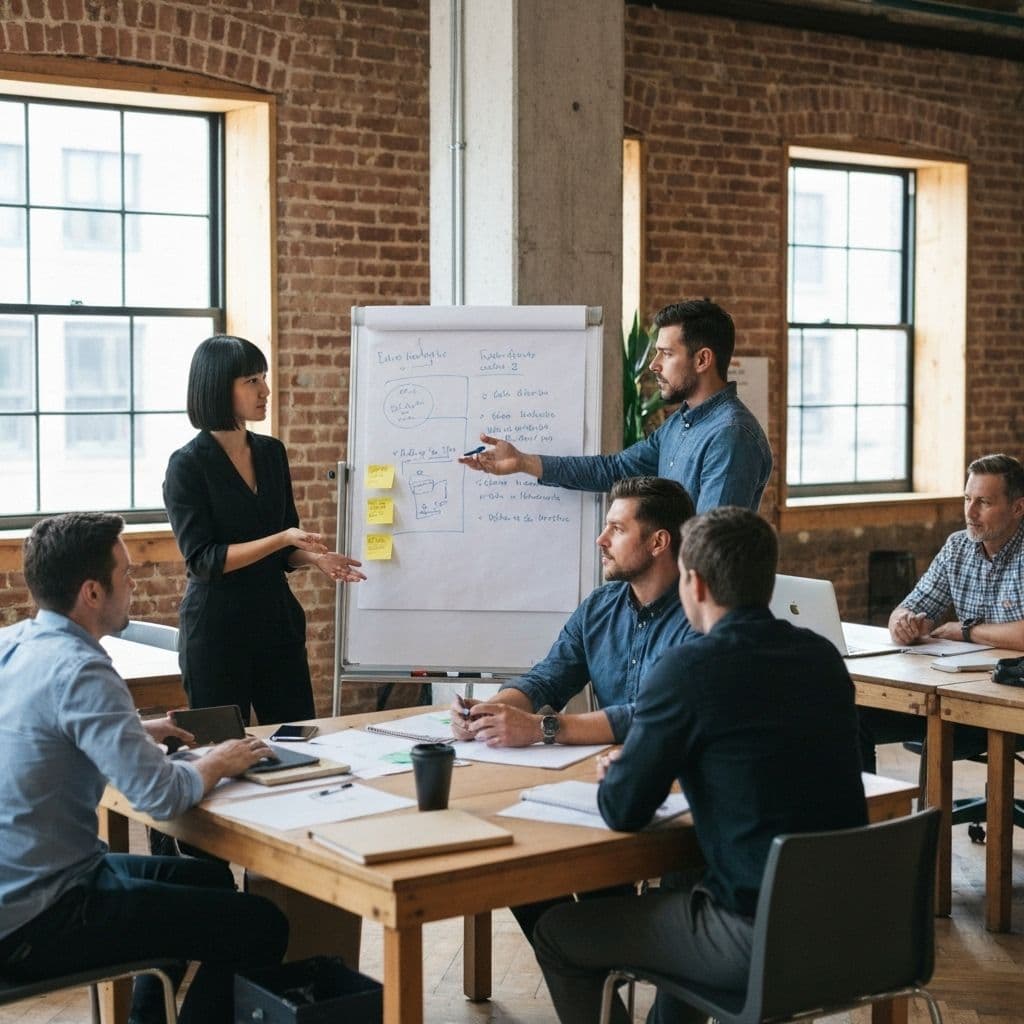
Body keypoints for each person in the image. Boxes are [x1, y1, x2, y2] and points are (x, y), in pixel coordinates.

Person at [533, 507, 867, 1024]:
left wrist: (621, 773)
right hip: (857, 928)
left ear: (698, 585)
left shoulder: (688, 670)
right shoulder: (821, 657)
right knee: (689, 884)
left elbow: (623, 810)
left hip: (752, 937)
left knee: (557, 933)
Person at [0, 512, 289, 1024]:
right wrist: (218, 761)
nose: (133, 584)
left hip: (26, 888)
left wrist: (131, 729)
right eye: (126, 575)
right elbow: (160, 797)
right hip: (40, 918)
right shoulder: (83, 668)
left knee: (210, 883)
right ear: (92, 592)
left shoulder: (16, 643)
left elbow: (49, 725)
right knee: (262, 924)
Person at [163, 334, 365, 724]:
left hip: (277, 624)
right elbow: (205, 560)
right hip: (217, 632)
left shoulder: (272, 453)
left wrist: (313, 558)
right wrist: (284, 538)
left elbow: (284, 546)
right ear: (219, 388)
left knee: (297, 738)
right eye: (251, 381)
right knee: (219, 751)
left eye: (263, 377)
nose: (265, 390)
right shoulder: (187, 466)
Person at [459, 300, 772, 514]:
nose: (654, 365)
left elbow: (709, 550)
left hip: (692, 607)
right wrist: (524, 462)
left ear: (702, 359)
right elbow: (615, 470)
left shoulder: (731, 436)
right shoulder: (681, 424)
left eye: (666, 353)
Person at [451, 477, 697, 749]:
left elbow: (661, 714)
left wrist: (542, 728)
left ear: (658, 542)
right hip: (610, 771)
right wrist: (488, 711)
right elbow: (547, 680)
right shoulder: (598, 607)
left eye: (617, 529)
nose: (601, 539)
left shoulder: (702, 616)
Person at [860, 452, 1024, 771]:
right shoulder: (957, 547)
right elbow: (907, 608)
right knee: (853, 719)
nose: (970, 512)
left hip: (1012, 699)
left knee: (939, 733)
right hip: (957, 694)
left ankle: (932, 822)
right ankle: (868, 819)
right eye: (967, 499)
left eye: (984, 503)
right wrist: (903, 624)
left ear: (1018, 508)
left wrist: (965, 631)